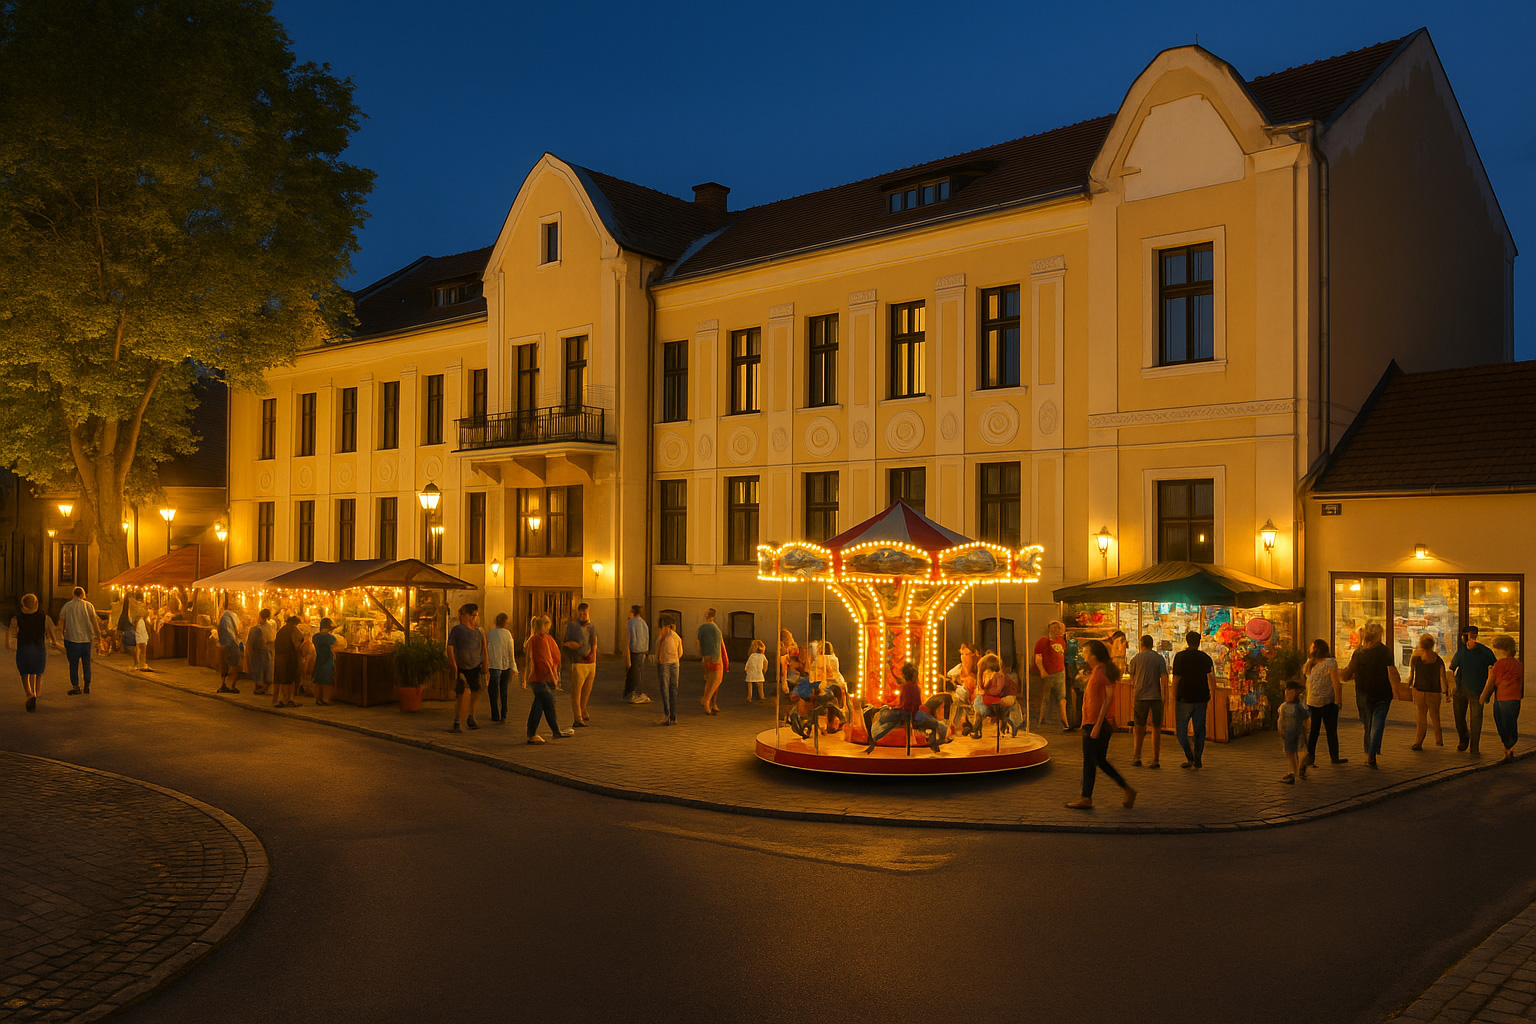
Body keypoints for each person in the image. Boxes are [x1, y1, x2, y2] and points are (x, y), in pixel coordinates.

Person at [1066, 639, 1136, 810]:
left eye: (1085, 651)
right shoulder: (1097, 671)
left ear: (1093, 656)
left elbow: (1108, 698)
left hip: (1097, 723)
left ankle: (1086, 797)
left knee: (1090, 762)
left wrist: (1097, 725)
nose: (1083, 654)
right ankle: (1126, 789)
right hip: (1093, 722)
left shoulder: (1101, 673)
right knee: (1099, 761)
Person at [1340, 622, 1399, 769]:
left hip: (1364, 693)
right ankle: (1371, 755)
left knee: (1368, 725)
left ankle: (1369, 753)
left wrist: (1339, 673)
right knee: (1377, 725)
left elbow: (1347, 674)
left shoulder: (1359, 653)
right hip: (1383, 693)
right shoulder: (1385, 651)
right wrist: (1397, 689)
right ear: (1379, 636)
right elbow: (1392, 671)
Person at [865, 662, 947, 753]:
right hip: (912, 714)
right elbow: (917, 704)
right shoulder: (916, 688)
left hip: (906, 714)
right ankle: (933, 742)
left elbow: (903, 704)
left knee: (885, 718)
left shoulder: (904, 687)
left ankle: (873, 734)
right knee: (933, 722)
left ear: (904, 675)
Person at [523, 614, 572, 743]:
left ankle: (540, 732)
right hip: (541, 678)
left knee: (539, 705)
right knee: (548, 704)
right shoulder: (539, 640)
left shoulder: (537, 639)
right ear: (543, 626)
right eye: (548, 626)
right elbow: (545, 661)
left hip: (539, 678)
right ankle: (552, 731)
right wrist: (552, 676)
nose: (549, 629)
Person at [10, 593, 61, 712]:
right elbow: (52, 637)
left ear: (23, 604)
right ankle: (37, 693)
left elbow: (14, 633)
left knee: (24, 673)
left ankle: (29, 693)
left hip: (23, 647)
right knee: (37, 672)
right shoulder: (45, 618)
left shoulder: (17, 618)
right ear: (36, 604)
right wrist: (58, 644)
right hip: (39, 648)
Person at [1450, 626, 1497, 755]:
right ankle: (1464, 740)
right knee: (1460, 717)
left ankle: (1473, 746)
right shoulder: (1462, 651)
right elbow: (1452, 667)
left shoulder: (1485, 652)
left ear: (1475, 635)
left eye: (1468, 635)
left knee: (1475, 719)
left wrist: (1488, 690)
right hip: (1461, 689)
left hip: (1477, 690)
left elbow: (1494, 670)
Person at [1172, 631, 1214, 770]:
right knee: (1200, 730)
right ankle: (1198, 758)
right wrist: (1213, 692)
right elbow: (1211, 677)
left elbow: (1176, 678)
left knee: (1181, 730)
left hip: (1184, 698)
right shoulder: (1205, 657)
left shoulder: (1180, 657)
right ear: (1199, 641)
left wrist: (1173, 696)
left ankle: (1189, 756)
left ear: (1186, 641)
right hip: (1201, 697)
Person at [1302, 639, 1348, 767]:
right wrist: (1338, 701)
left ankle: (1310, 757)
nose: (1310, 649)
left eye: (1312, 647)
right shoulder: (1330, 662)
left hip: (1312, 701)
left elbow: (1309, 682)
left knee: (1314, 731)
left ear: (1317, 649)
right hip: (1327, 701)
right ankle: (1334, 756)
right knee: (1331, 730)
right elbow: (1336, 684)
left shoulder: (1310, 663)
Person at [1128, 634, 1169, 768]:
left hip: (1140, 696)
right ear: (1152, 645)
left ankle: (1136, 756)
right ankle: (1155, 759)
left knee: (1139, 727)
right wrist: (1165, 698)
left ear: (1141, 644)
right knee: (1156, 727)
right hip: (1156, 697)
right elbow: (1164, 680)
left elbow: (1132, 680)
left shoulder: (1135, 659)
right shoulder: (1159, 659)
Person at [1480, 634, 1523, 763]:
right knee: (1511, 723)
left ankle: (1507, 749)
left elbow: (1491, 683)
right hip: (1515, 698)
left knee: (1502, 724)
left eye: (1495, 649)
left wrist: (1483, 697)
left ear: (1501, 650)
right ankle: (1510, 748)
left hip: (1502, 698)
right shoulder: (1518, 664)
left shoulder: (1499, 664)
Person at [448, 603, 488, 733]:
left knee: (477, 690)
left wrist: (485, 668)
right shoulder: (457, 630)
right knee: (462, 694)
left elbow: (484, 650)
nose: (460, 617)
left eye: (462, 614)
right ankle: (458, 720)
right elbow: (450, 648)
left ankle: (471, 716)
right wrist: (454, 666)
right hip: (461, 667)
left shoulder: (479, 631)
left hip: (476, 666)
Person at [58, 586, 103, 695]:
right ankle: (87, 684)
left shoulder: (67, 606)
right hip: (86, 639)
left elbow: (61, 621)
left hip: (72, 638)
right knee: (86, 663)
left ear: (73, 594)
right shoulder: (88, 606)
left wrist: (60, 635)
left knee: (73, 664)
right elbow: (94, 622)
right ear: (83, 595)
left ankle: (76, 686)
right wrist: (99, 635)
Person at [1407, 634, 1449, 751]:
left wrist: (1408, 686)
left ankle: (1418, 741)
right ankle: (1439, 739)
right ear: (1433, 645)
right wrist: (1446, 692)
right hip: (1434, 691)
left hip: (1419, 690)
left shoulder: (1416, 659)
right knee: (1435, 716)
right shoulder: (1438, 660)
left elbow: (1411, 676)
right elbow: (1443, 678)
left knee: (1421, 716)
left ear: (1420, 644)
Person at [562, 603, 597, 726]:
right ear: (577, 614)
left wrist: (593, 654)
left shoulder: (591, 624)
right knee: (577, 690)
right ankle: (577, 718)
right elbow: (568, 642)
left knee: (587, 689)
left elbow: (594, 639)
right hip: (578, 661)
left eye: (585, 614)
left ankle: (583, 709)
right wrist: (578, 646)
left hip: (590, 662)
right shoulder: (572, 626)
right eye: (581, 614)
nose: (583, 616)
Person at [1034, 621, 1070, 732]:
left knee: (1062, 699)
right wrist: (1042, 670)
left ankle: (1065, 722)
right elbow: (1038, 658)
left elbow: (1061, 656)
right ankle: (1041, 720)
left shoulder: (1061, 642)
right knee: (1046, 698)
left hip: (1060, 673)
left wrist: (1063, 669)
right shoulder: (1043, 641)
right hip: (1048, 674)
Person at [486, 612, 516, 723]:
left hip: (494, 664)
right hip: (506, 664)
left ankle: (495, 713)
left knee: (493, 690)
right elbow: (511, 650)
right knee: (504, 690)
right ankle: (504, 713)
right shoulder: (508, 634)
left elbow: (488, 648)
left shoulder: (491, 633)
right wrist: (513, 665)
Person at [309, 617, 346, 706]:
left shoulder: (315, 637)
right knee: (327, 681)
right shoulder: (331, 638)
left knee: (318, 680)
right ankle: (326, 699)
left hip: (319, 659)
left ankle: (318, 698)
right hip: (328, 660)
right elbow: (333, 650)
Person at [697, 607, 725, 715]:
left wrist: (702, 655)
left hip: (707, 657)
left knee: (709, 681)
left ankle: (708, 701)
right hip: (716, 657)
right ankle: (708, 701)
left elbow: (698, 643)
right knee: (716, 681)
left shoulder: (702, 628)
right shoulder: (717, 629)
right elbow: (720, 645)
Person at [272, 615, 305, 708]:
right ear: (296, 623)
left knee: (278, 679)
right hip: (289, 657)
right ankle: (288, 699)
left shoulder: (281, 630)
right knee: (289, 679)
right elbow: (297, 645)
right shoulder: (294, 630)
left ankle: (276, 700)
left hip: (279, 657)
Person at [655, 616, 683, 725]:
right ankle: (672, 716)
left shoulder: (664, 638)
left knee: (665, 689)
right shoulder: (676, 637)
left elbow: (658, 652)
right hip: (674, 664)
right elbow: (680, 652)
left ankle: (668, 714)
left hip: (665, 664)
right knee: (672, 689)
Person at [623, 604, 651, 705]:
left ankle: (636, 692)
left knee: (634, 672)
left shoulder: (631, 622)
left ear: (633, 612)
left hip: (634, 651)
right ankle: (633, 691)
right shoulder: (644, 623)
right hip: (643, 651)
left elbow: (630, 637)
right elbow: (647, 636)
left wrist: (628, 650)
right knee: (639, 672)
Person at [216, 597, 243, 694]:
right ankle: (230, 685)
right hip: (231, 644)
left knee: (224, 665)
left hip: (223, 644)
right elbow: (237, 631)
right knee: (235, 665)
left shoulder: (224, 616)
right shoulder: (232, 616)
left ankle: (224, 684)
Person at [247, 609, 273, 697]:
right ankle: (266, 688)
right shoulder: (269, 627)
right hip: (267, 651)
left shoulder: (256, 629)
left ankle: (259, 687)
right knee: (267, 670)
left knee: (259, 670)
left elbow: (251, 642)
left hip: (259, 652)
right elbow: (272, 639)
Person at [745, 639, 767, 703]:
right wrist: (764, 670)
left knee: (750, 683)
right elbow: (766, 663)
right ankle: (762, 696)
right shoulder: (762, 656)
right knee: (760, 684)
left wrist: (746, 669)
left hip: (751, 672)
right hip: (759, 672)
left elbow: (748, 663)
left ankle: (749, 696)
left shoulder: (752, 655)